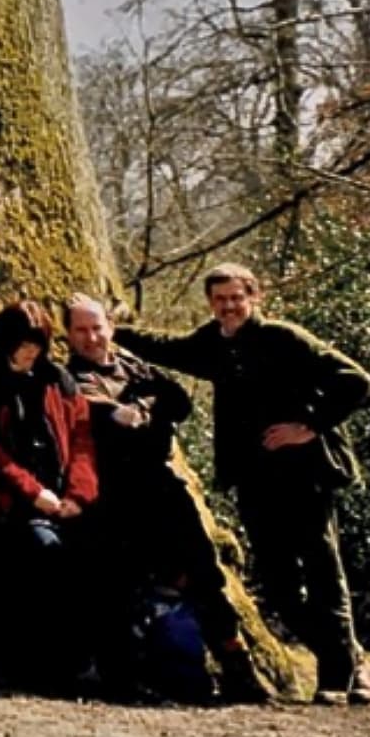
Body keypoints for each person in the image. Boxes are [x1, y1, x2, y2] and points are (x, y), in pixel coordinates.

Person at [111, 262, 370, 706]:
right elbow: (170, 348)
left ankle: (337, 678)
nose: (229, 307)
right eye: (220, 300)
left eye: (236, 298)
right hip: (255, 480)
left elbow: (356, 380)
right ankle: (353, 658)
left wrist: (307, 425)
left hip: (306, 474)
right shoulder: (214, 344)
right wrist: (113, 332)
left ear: (254, 297)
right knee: (278, 587)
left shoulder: (283, 337)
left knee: (323, 572)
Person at [64, 294, 270, 703]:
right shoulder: (70, 378)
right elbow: (103, 414)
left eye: (97, 327)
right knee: (120, 585)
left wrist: (143, 405)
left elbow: (178, 400)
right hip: (114, 496)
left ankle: (238, 668)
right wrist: (134, 412)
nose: (91, 337)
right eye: (81, 330)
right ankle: (125, 677)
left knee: (204, 574)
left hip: (162, 490)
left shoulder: (134, 366)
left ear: (110, 327)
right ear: (69, 335)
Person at [0, 300, 98, 693]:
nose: (30, 351)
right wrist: (34, 493)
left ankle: (87, 662)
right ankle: (43, 664)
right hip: (12, 505)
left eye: (36, 342)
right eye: (23, 342)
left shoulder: (59, 380)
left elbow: (82, 439)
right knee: (45, 552)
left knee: (96, 553)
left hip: (65, 501)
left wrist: (79, 495)